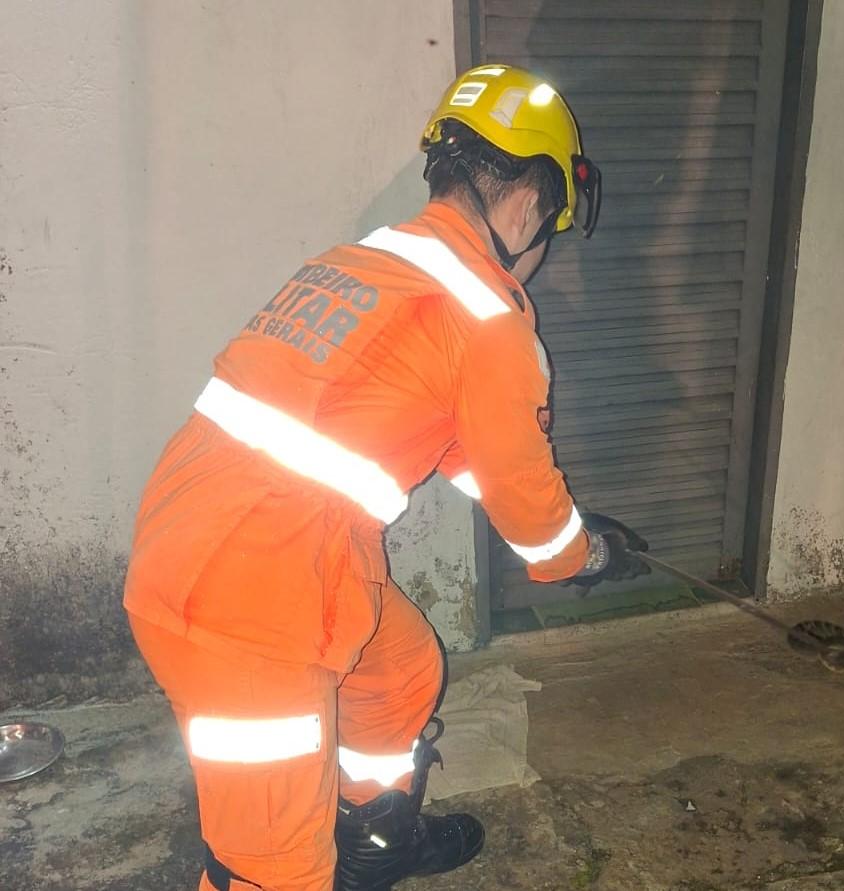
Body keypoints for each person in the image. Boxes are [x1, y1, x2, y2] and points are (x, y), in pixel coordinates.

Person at [123, 64, 649, 891]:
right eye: (551, 226)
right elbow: (523, 498)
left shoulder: (370, 261)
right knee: (272, 870)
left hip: (252, 540)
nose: (542, 251)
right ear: (528, 204)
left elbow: (463, 449)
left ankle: (373, 841)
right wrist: (583, 557)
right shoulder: (485, 315)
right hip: (245, 603)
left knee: (399, 669)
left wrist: (570, 527)